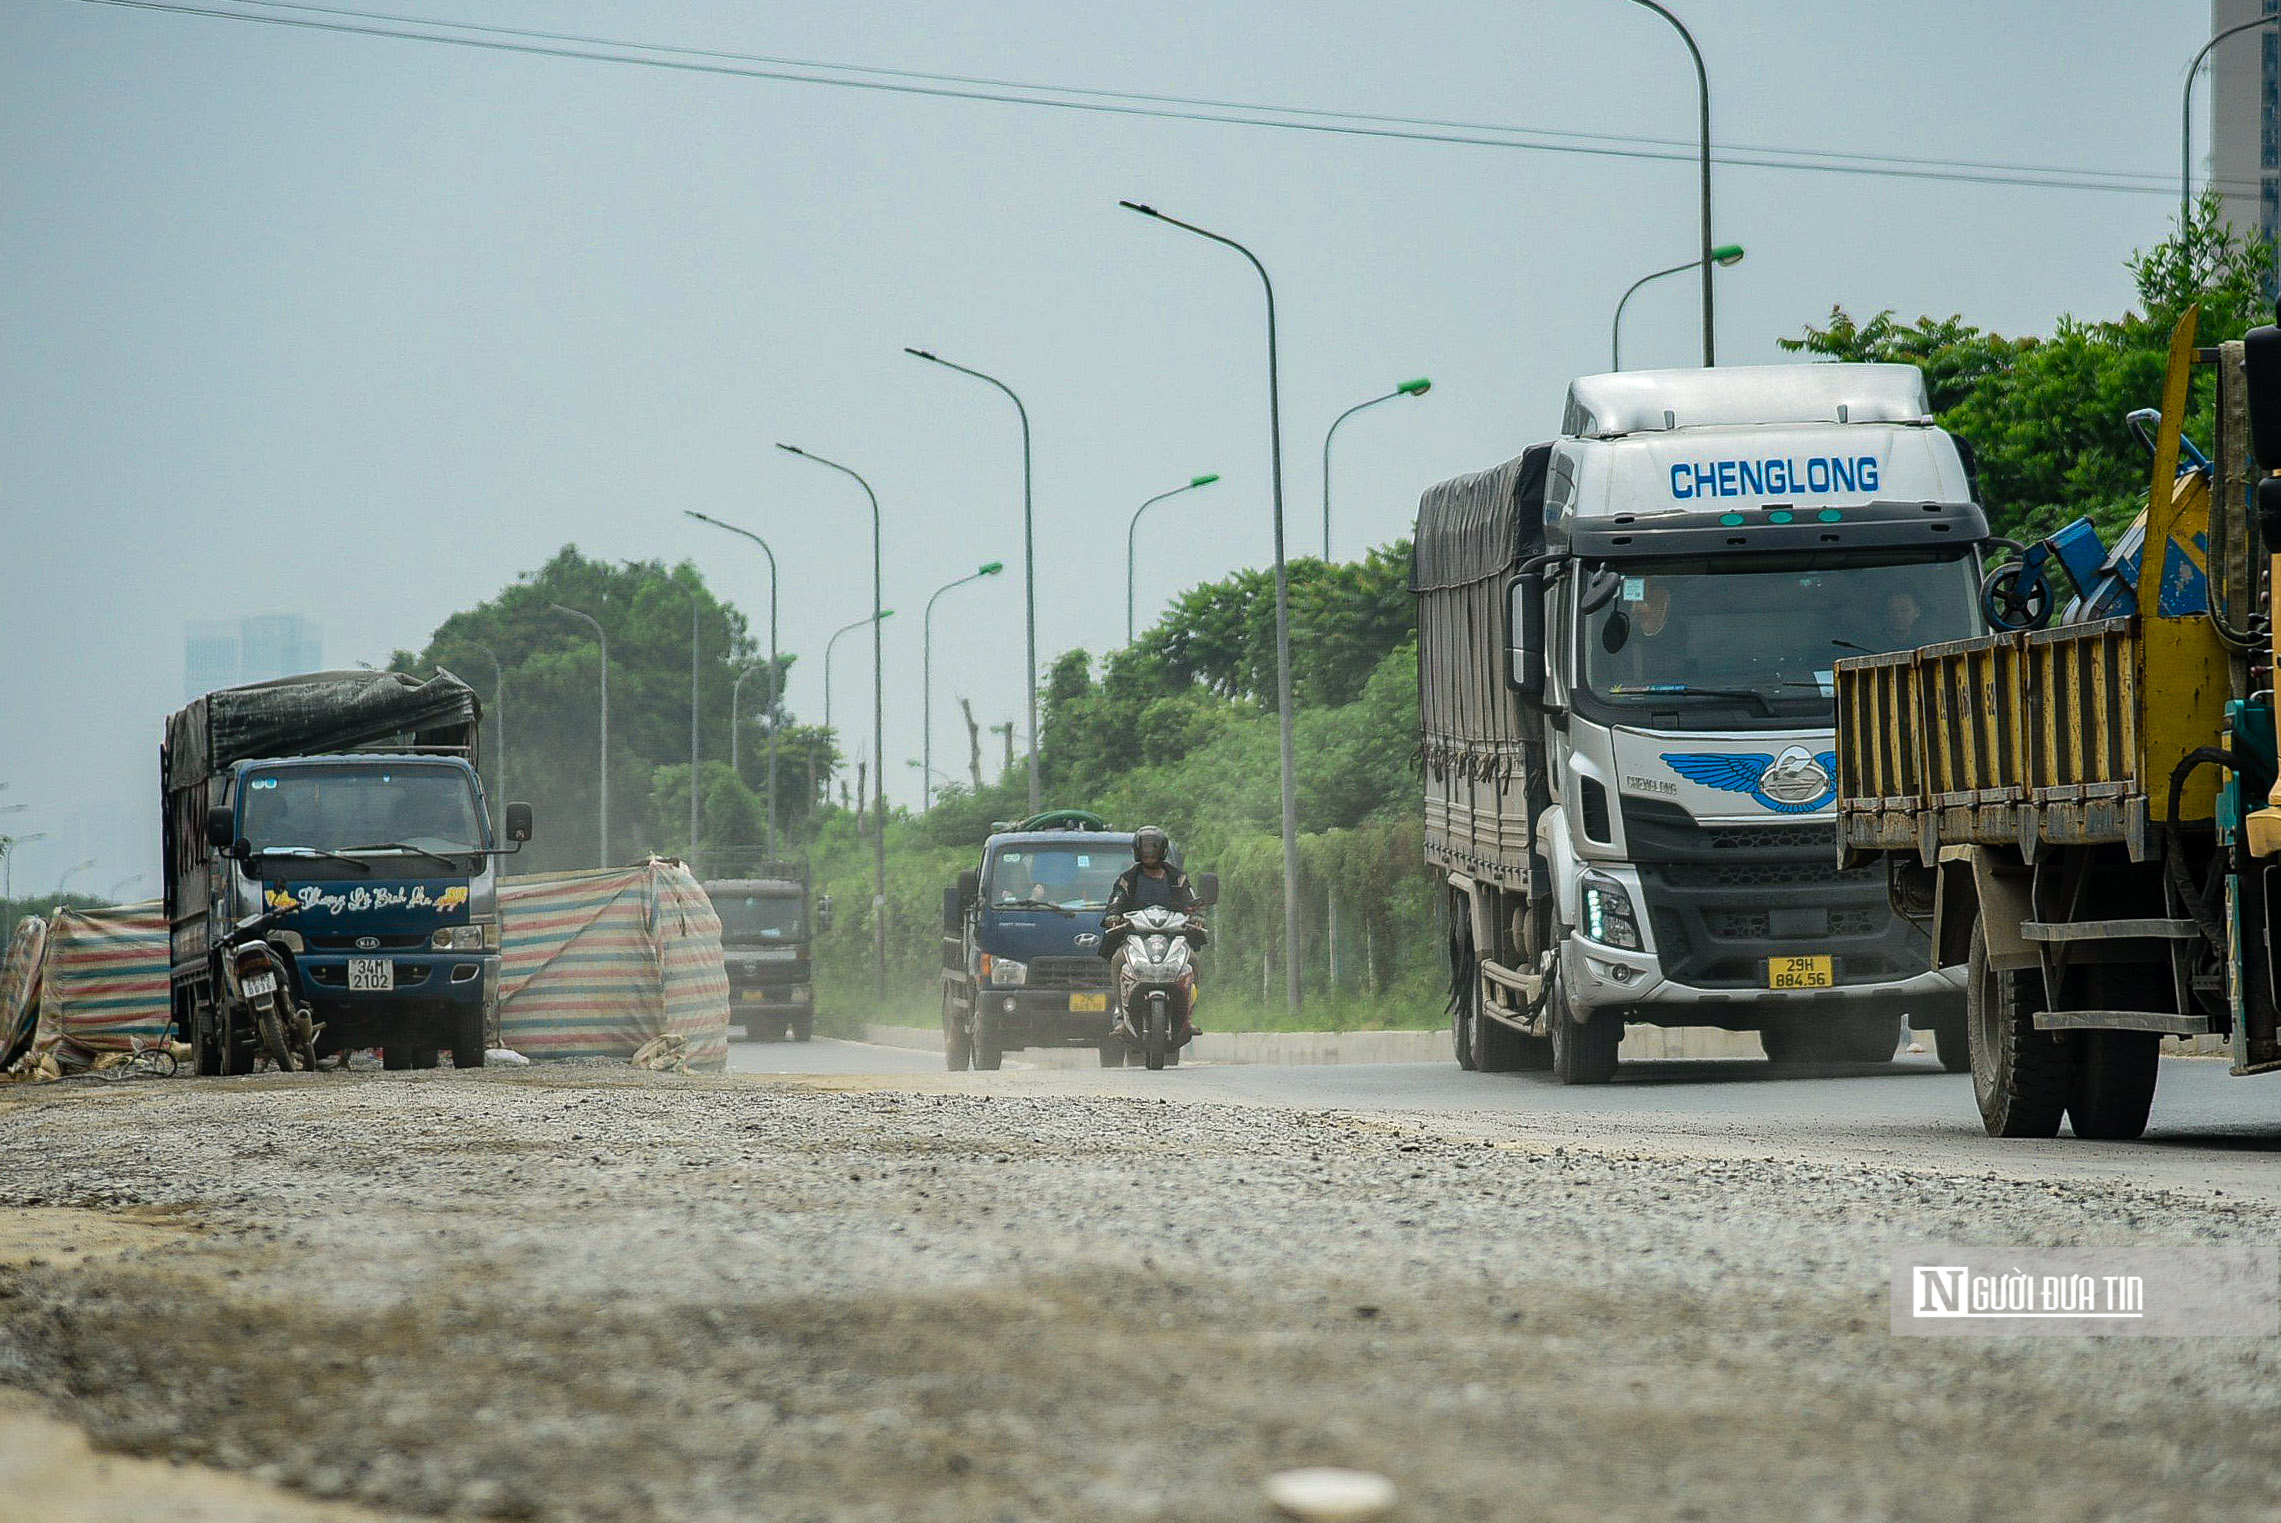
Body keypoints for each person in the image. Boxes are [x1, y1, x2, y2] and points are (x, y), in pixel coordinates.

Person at [1100, 826, 1205, 1038]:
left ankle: (1188, 1016)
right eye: (1145, 848)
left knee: (1192, 960)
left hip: (1173, 937)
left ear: (1162, 850)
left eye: (1153, 848)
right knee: (1118, 959)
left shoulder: (1178, 878)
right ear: (1137, 851)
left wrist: (1197, 916)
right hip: (1136, 937)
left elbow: (1190, 901)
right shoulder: (1127, 879)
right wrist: (1113, 915)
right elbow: (1116, 901)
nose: (1149, 853)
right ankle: (1121, 1014)